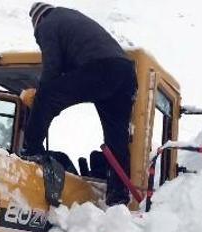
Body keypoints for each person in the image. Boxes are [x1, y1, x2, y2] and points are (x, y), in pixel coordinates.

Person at [23, 3, 137, 206]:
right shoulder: (70, 18)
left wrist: (41, 99)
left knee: (47, 94)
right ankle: (118, 194)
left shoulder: (46, 25)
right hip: (125, 73)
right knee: (116, 137)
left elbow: (52, 67)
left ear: (36, 21)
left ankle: (31, 149)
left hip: (100, 68)